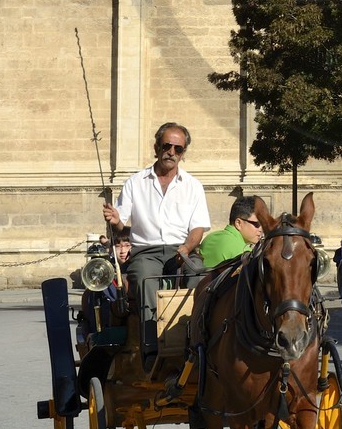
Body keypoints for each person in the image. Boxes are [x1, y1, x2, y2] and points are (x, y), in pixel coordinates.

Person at [102, 122, 209, 362]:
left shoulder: (193, 186)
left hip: (183, 249)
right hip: (146, 252)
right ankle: (151, 347)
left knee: (200, 277)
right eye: (167, 146)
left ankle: (196, 342)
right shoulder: (135, 182)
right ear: (156, 147)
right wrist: (116, 220)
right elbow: (120, 225)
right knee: (145, 280)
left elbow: (198, 228)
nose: (172, 152)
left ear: (183, 153)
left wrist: (187, 248)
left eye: (178, 149)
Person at [199, 196, 262, 269]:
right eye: (256, 224)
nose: (261, 229)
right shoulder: (245, 253)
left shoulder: (209, 238)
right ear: (238, 223)